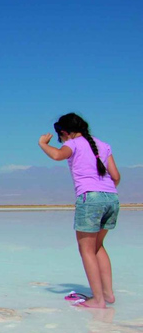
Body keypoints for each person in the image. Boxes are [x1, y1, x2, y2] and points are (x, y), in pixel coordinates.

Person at [38, 113, 121, 309]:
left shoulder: (74, 143)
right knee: (98, 246)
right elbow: (116, 176)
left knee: (86, 251)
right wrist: (104, 191)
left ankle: (98, 300)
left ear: (65, 132)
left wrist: (43, 144)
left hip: (90, 198)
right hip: (112, 197)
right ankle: (108, 294)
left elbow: (58, 155)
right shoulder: (103, 145)